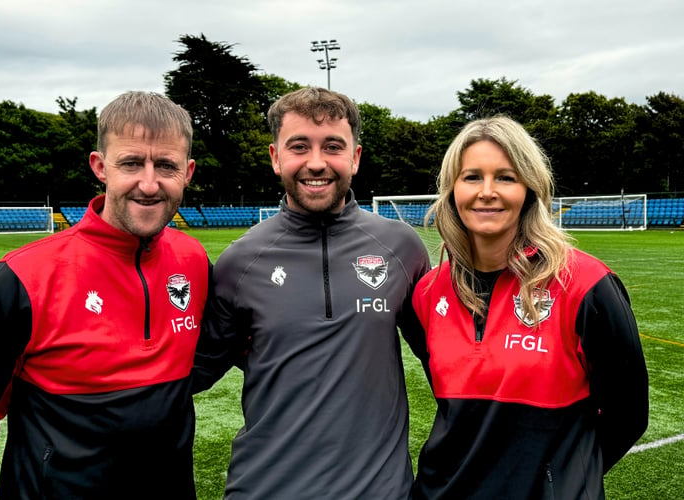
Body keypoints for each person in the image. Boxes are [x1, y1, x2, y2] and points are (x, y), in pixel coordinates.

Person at [0, 91, 210, 499]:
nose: (149, 183)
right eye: (132, 163)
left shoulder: (194, 260)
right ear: (101, 167)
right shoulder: (22, 277)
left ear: (187, 172)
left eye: (166, 166)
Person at [193, 87, 431, 499]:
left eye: (333, 147)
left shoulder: (402, 248)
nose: (316, 163)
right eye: (299, 146)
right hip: (264, 489)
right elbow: (186, 372)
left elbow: (449, 363)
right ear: (275, 157)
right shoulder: (240, 262)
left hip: (379, 492)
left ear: (355, 157)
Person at [410, 115, 649, 499]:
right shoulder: (426, 292)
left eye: (505, 177)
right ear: (452, 189)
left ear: (529, 189)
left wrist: (567, 480)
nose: (487, 191)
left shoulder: (586, 285)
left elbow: (629, 414)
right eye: (472, 177)